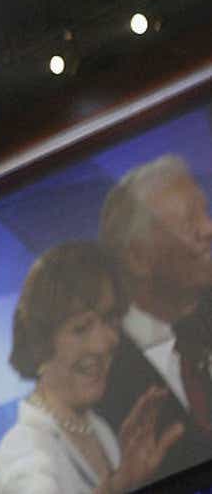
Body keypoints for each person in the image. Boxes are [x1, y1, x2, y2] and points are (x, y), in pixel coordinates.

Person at [0, 242, 182, 493]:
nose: (103, 343)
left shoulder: (98, 429)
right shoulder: (25, 448)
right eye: (81, 328)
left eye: (109, 320)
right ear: (40, 342)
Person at [98, 154, 212, 477]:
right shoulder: (101, 380)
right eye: (191, 221)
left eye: (206, 211)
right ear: (137, 257)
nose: (209, 228)